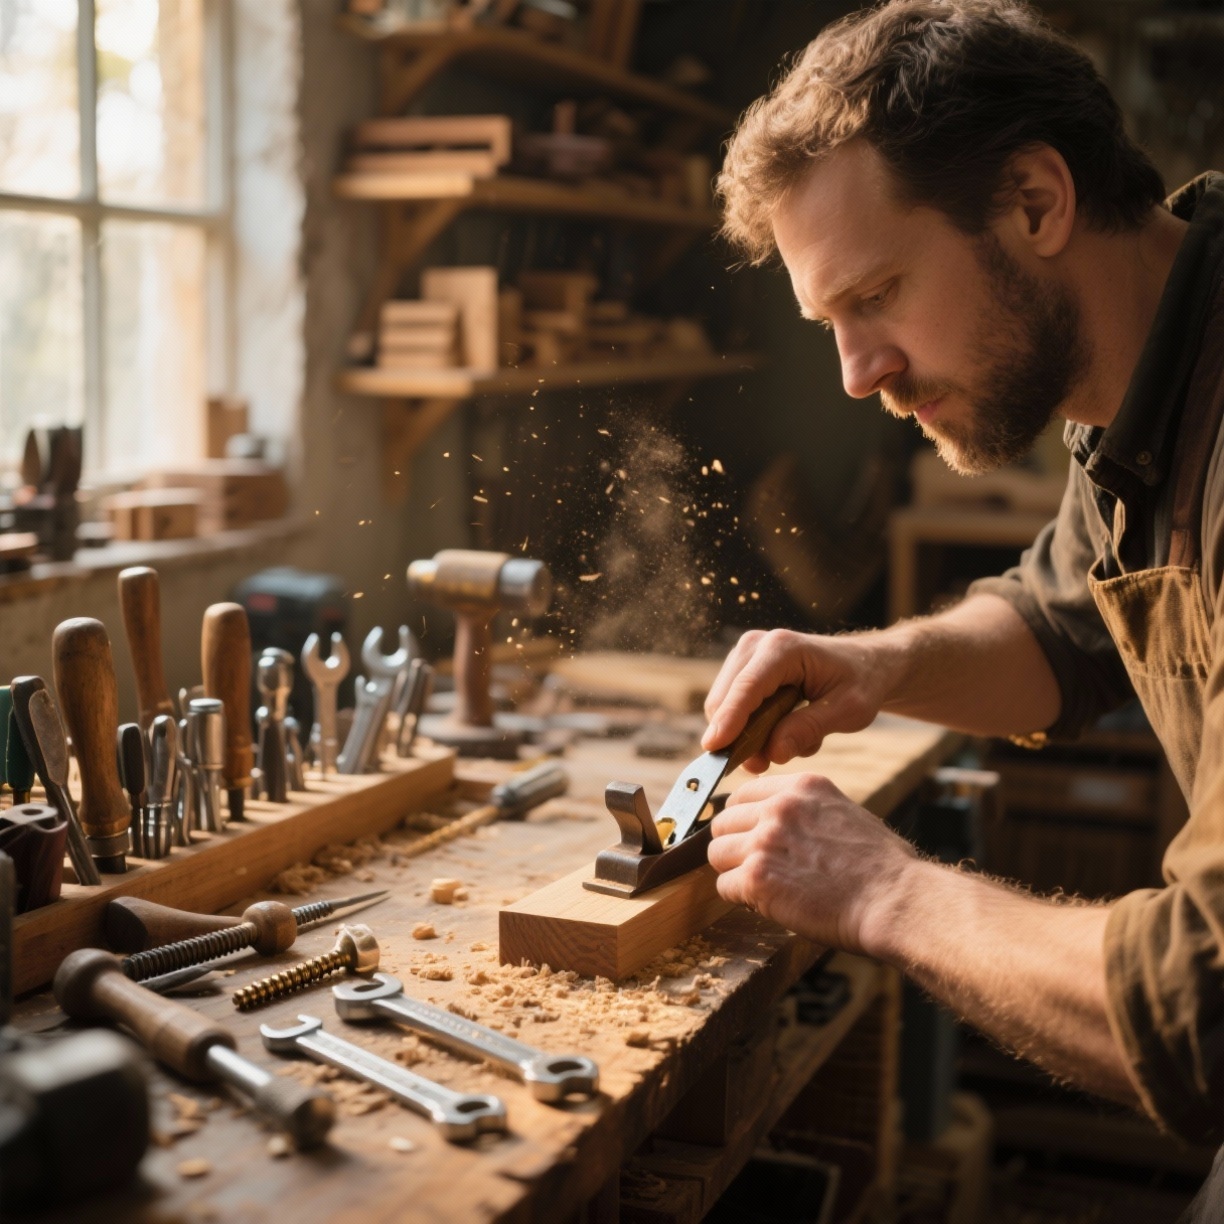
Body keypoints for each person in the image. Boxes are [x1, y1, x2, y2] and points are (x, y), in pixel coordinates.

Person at [703, 0, 1224, 1200]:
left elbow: (1203, 1006)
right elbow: (1058, 625)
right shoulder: (1145, 369)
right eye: (832, 323)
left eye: (878, 293)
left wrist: (881, 888)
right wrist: (874, 667)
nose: (858, 373)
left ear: (1036, 202)